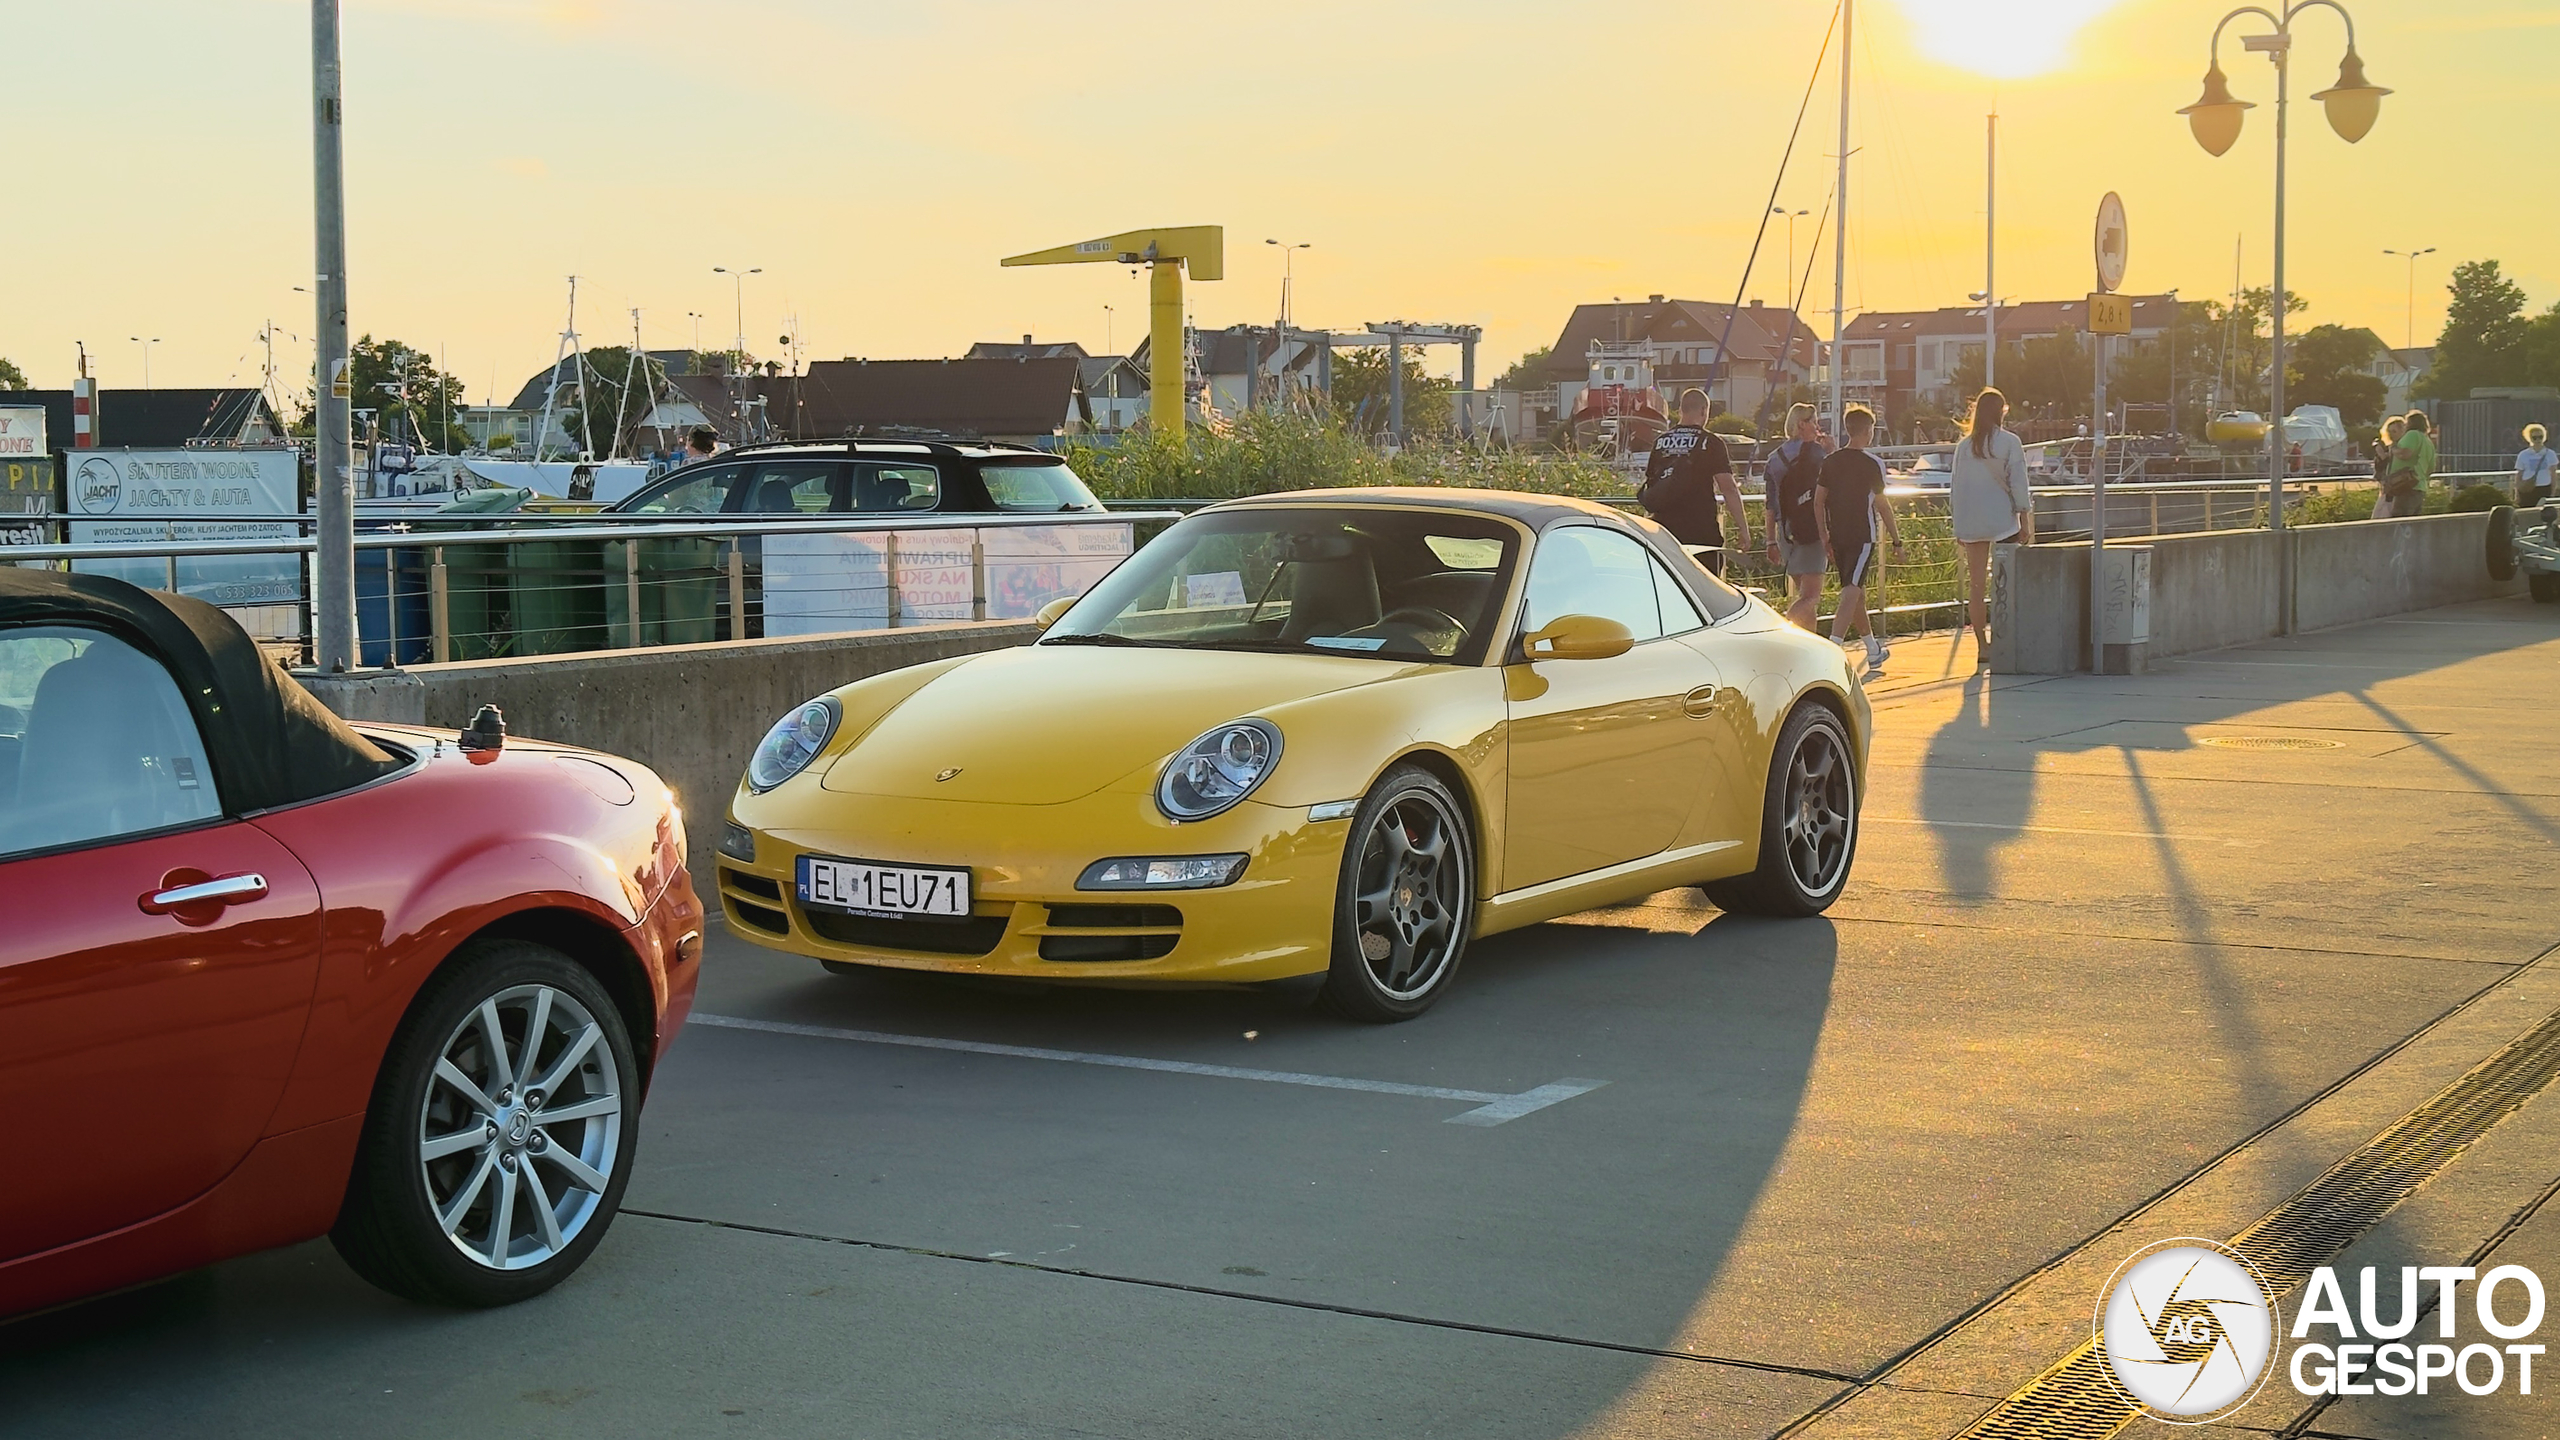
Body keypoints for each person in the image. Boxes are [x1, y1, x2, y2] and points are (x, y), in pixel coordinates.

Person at [1815, 404, 1902, 673]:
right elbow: (1882, 505)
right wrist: (1897, 541)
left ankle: (1872, 648)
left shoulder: (1830, 461)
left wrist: (1824, 535)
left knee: (1856, 594)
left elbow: (1818, 502)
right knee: (1851, 591)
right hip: (1863, 535)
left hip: (1837, 534)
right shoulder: (1872, 464)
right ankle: (1833, 647)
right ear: (1868, 431)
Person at [1949, 387, 2033, 654]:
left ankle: (1981, 647)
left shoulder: (1964, 446)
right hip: (2002, 522)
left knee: (1976, 585)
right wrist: (2025, 519)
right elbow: (2019, 483)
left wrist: (1958, 525)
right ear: (2002, 411)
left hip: (1972, 522)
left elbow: (1956, 488)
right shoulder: (2009, 442)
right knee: (2004, 583)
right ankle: (2003, 639)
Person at [1641, 390, 1751, 576]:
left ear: (1681, 410)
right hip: (1701, 531)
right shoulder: (1710, 442)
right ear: (1703, 410)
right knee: (1705, 589)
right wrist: (1743, 528)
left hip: (1665, 532)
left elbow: (1651, 486)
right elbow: (1729, 488)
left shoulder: (1660, 442)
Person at [1762, 403, 1830, 629]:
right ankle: (1778, 628)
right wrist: (1833, 452)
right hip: (1813, 529)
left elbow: (1770, 504)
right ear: (1802, 424)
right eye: (1813, 421)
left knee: (1805, 597)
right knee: (1810, 597)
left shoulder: (1774, 458)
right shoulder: (1818, 453)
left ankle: (1811, 649)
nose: (1817, 426)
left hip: (1787, 532)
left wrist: (1770, 539)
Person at [2388, 409, 2437, 509]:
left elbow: (2405, 454)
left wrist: (2393, 449)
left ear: (2410, 423)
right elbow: (2431, 468)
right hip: (2420, 487)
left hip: (2406, 486)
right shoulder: (2428, 442)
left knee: (2399, 521)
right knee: (2412, 522)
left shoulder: (2412, 434)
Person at [2370, 415, 2408, 518]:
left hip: (2397, 484)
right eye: (2389, 431)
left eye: (2394, 431)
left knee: (2385, 511)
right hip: (2387, 483)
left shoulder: (2400, 446)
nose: (2391, 435)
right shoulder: (2389, 446)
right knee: (2381, 510)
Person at [2517, 423, 2556, 506]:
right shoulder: (2523, 455)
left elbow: (2553, 474)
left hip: (2544, 488)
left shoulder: (2550, 454)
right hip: (2527, 489)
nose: (2538, 440)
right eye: (2534, 438)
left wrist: (2553, 492)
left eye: (2540, 437)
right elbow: (2519, 475)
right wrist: (2517, 493)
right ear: (2529, 438)